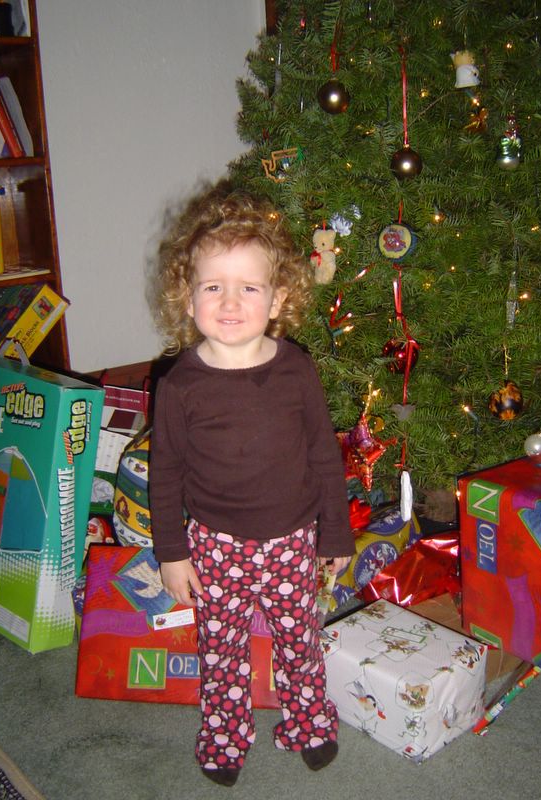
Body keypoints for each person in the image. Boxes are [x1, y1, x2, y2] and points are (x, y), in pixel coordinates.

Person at [148, 182, 354, 787]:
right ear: (187, 297)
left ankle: (308, 722)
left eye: (249, 287)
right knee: (221, 651)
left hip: (292, 539)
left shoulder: (296, 369)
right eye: (213, 287)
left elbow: (324, 455)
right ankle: (225, 735)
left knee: (299, 640)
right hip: (215, 545)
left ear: (278, 296)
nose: (230, 302)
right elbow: (166, 474)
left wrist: (335, 533)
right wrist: (171, 552)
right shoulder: (179, 385)